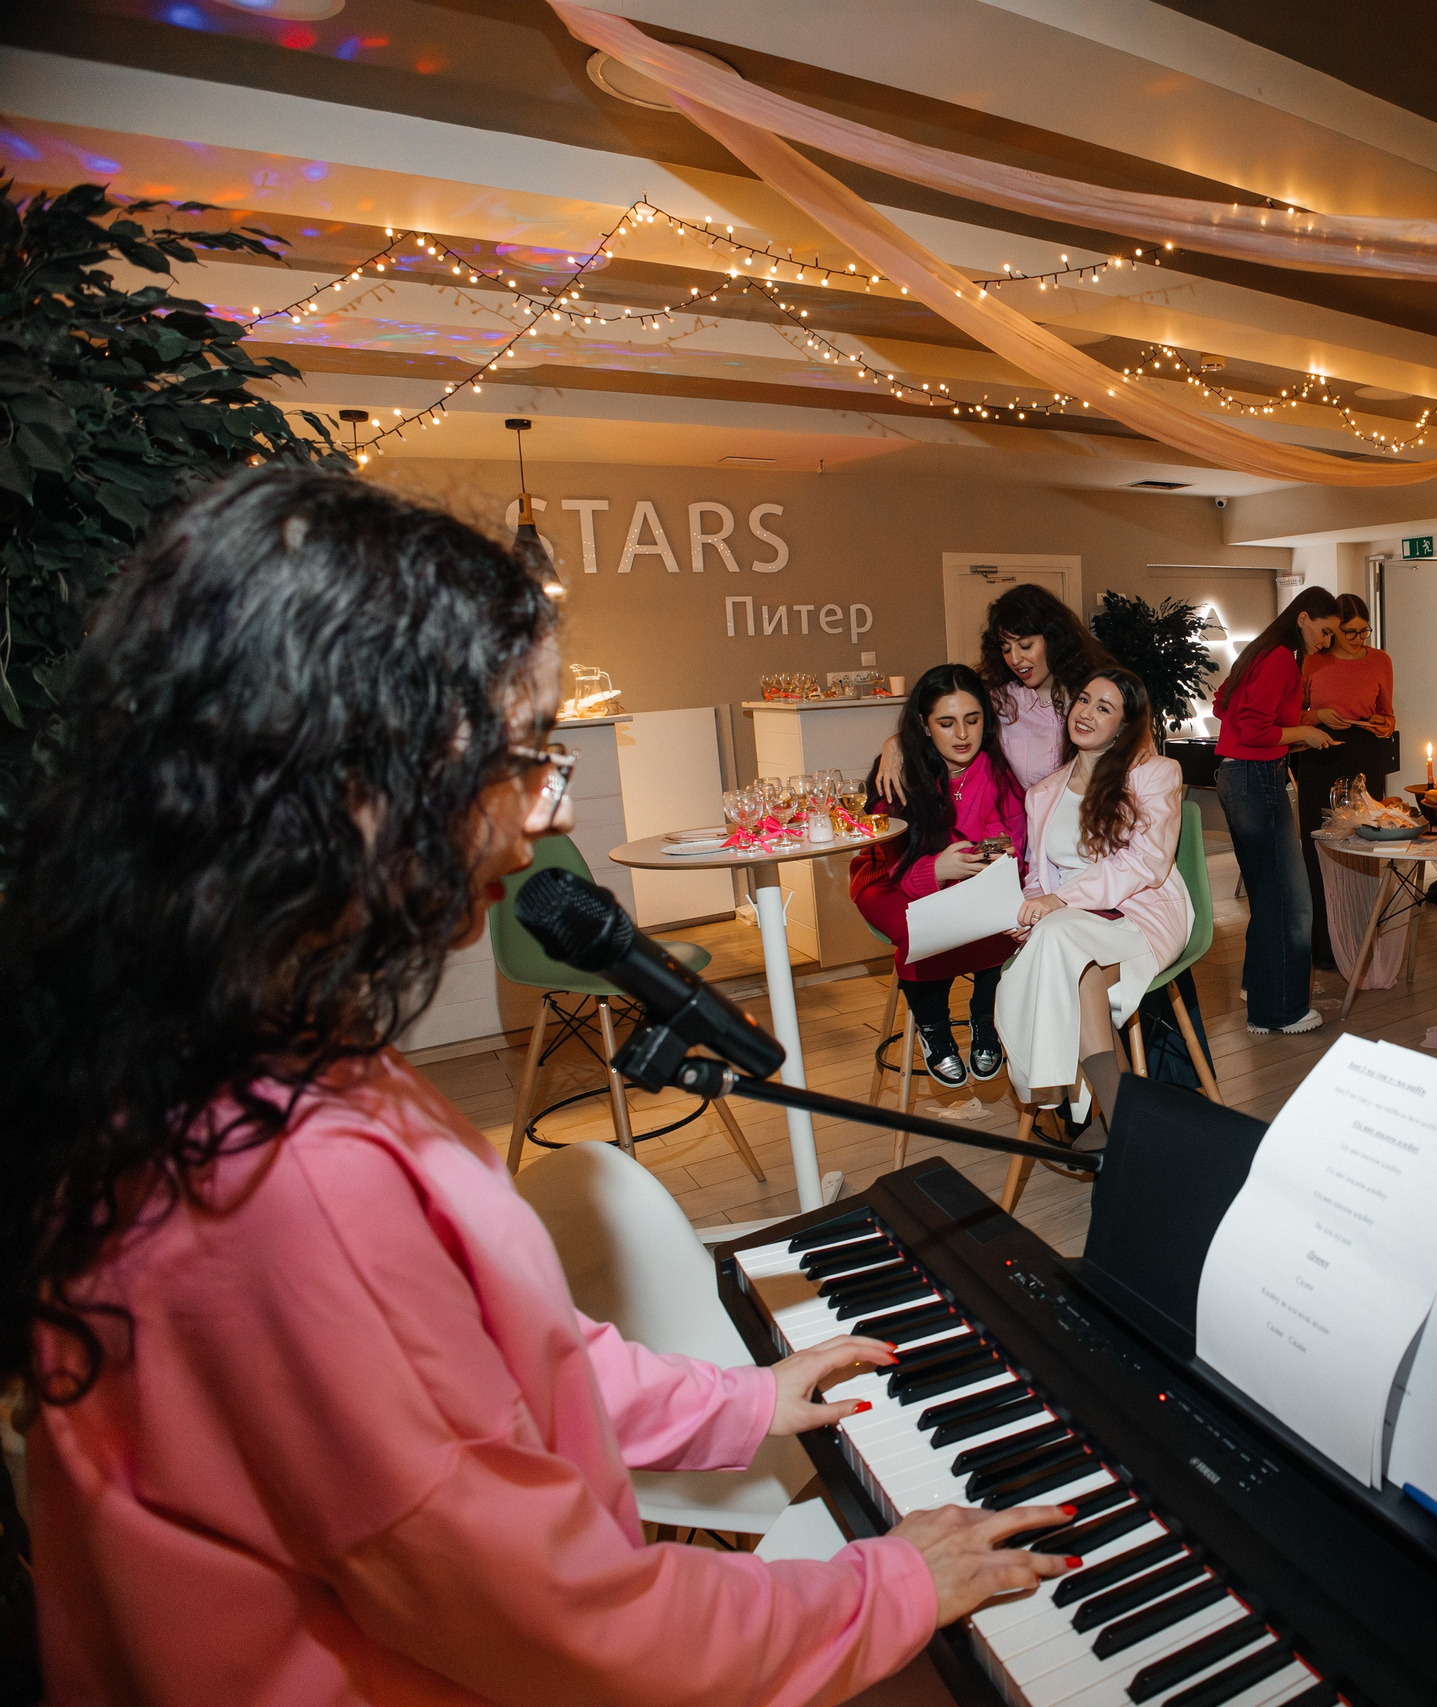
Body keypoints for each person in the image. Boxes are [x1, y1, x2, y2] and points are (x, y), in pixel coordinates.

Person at [0, 470, 1068, 1702]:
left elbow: (495, 1364)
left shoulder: (225, 1041)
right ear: (359, 782)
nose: (532, 822)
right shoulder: (291, 1181)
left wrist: (740, 1401)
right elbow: (560, 1621)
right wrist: (891, 1586)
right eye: (524, 758)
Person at [998, 666, 1194, 1126]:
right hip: (1072, 931)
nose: (1085, 713)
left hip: (1139, 915)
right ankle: (1124, 1122)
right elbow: (1037, 877)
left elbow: (1146, 862)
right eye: (1083, 700)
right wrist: (1031, 910)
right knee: (1074, 966)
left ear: (1124, 726)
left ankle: (1103, 1119)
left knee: (1061, 938)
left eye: (1103, 708)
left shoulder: (1156, 774)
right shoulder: (1043, 792)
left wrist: (1059, 903)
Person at [854, 663, 1026, 1089]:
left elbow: (1012, 838)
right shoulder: (901, 770)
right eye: (946, 723)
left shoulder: (996, 770)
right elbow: (891, 856)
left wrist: (992, 860)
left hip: (970, 879)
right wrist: (937, 870)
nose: (962, 734)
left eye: (972, 720)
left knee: (1007, 918)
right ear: (924, 725)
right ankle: (933, 1027)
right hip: (891, 880)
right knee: (921, 927)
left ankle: (985, 1019)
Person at [1213, 586, 1341, 1034]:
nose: (1325, 642)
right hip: (1256, 777)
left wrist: (1309, 719)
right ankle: (1281, 1011)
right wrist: (1302, 734)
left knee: (1270, 899)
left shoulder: (1264, 651)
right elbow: (1252, 728)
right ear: (1303, 618)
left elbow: (1224, 702)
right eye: (1324, 631)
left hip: (1240, 777)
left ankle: (1262, 992)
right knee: (1292, 904)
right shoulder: (1282, 658)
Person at [872, 582, 1103, 804]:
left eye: (1025, 646)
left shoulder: (1094, 697)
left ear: (1054, 639)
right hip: (1033, 837)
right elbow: (943, 724)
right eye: (1005, 648)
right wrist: (894, 744)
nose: (1014, 659)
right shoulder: (1001, 701)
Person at [1294, 592, 1396, 971]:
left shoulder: (1380, 660)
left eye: (1363, 632)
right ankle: (1322, 945)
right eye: (1349, 632)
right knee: (1319, 846)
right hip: (1320, 753)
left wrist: (1385, 724)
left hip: (1365, 752)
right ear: (1333, 630)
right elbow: (1293, 714)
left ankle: (1362, 940)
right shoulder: (1312, 660)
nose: (1358, 640)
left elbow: (1388, 714)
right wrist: (1318, 714)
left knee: (1367, 844)